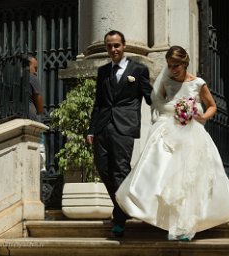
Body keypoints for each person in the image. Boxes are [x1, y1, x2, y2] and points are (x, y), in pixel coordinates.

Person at [116, 45, 229, 241]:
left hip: (191, 132)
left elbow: (212, 106)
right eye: (170, 65)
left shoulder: (198, 83)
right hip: (168, 130)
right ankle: (164, 219)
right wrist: (172, 110)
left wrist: (202, 116)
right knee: (163, 174)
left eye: (176, 65)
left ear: (185, 63)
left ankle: (188, 224)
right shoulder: (166, 81)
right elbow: (158, 103)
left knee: (189, 177)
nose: (172, 69)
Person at [86, 30, 152, 237]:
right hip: (103, 126)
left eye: (116, 45)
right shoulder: (103, 71)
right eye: (109, 46)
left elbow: (150, 97)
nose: (113, 49)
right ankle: (125, 205)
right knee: (103, 168)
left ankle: (120, 218)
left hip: (124, 127)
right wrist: (91, 129)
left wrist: (171, 104)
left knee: (120, 170)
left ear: (124, 46)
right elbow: (99, 103)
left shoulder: (139, 70)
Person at [28, 55, 46, 172]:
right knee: (39, 152)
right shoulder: (32, 78)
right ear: (28, 65)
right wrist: (40, 111)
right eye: (35, 68)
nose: (36, 72)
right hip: (32, 120)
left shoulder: (11, 77)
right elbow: (38, 96)